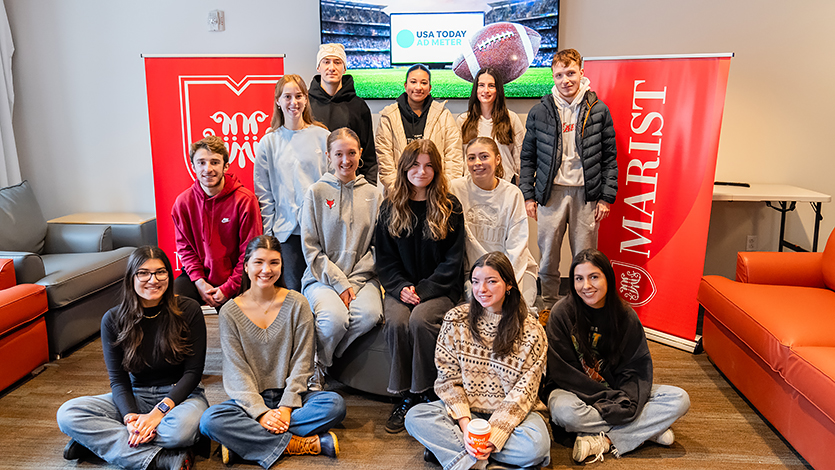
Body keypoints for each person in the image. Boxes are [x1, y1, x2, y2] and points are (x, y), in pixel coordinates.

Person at [199, 235, 346, 468]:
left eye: (274, 263)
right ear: (245, 266)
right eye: (258, 262)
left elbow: (303, 362)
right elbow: (236, 370)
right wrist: (260, 413)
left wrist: (286, 408)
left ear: (281, 266)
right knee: (209, 421)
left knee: (334, 405)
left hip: (292, 397)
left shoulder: (298, 303)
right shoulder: (229, 312)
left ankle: (245, 444)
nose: (266, 270)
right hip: (250, 400)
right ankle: (297, 444)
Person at [57, 246, 207, 470]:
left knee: (179, 431)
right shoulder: (113, 319)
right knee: (68, 414)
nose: (153, 280)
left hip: (182, 397)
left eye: (160, 272)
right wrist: (129, 419)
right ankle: (159, 459)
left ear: (169, 274)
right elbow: (118, 380)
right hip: (137, 396)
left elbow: (193, 373)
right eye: (143, 273)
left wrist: (158, 414)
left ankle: (96, 442)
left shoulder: (189, 309)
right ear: (131, 278)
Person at [405, 252, 550, 470]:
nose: (481, 290)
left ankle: (458, 456)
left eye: (491, 281)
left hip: (514, 417)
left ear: (509, 284)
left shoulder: (531, 331)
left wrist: (494, 436)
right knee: (415, 417)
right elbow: (447, 380)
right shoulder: (455, 320)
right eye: (475, 282)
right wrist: (466, 427)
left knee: (536, 445)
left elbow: (525, 392)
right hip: (467, 414)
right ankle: (482, 462)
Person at [544, 248, 690, 463]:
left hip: (617, 391)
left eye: (594, 277)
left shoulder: (625, 315)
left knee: (679, 399)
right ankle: (646, 431)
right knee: (564, 412)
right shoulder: (561, 313)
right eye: (579, 279)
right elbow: (562, 372)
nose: (586, 286)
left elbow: (636, 367)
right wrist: (607, 400)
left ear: (608, 278)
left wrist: (621, 399)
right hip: (575, 392)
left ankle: (606, 440)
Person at [375, 139, 465, 434]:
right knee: (399, 321)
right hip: (399, 288)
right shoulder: (390, 207)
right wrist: (400, 287)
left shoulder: (450, 207)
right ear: (404, 168)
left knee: (421, 320)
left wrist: (423, 291)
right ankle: (404, 395)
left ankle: (426, 390)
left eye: (428, 165)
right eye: (415, 164)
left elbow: (453, 261)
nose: (421, 171)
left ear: (437, 170)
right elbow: (385, 259)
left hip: (439, 289)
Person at [519, 48, 618, 308]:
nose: (566, 80)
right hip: (550, 195)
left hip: (586, 196)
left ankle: (582, 308)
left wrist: (606, 198)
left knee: (585, 258)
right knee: (548, 257)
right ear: (553, 76)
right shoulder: (539, 112)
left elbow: (609, 157)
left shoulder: (598, 110)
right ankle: (549, 306)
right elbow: (527, 157)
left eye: (571, 73)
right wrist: (528, 195)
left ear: (581, 73)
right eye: (559, 75)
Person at [300, 127, 384, 388]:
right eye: (339, 154)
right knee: (334, 319)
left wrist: (353, 283)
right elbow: (311, 249)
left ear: (360, 155)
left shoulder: (374, 194)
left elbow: (378, 249)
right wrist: (339, 283)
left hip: (361, 279)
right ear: (328, 156)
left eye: (351, 153)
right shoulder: (315, 192)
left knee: (369, 315)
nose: (345, 160)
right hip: (321, 278)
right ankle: (315, 367)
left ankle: (327, 360)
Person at [255, 74, 330, 292]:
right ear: (278, 101)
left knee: (321, 291)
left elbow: (333, 186)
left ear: (306, 99)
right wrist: (269, 237)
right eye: (287, 96)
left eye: (298, 96)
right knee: (292, 294)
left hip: (321, 232)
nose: (293, 102)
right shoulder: (269, 142)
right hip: (286, 234)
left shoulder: (323, 136)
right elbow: (264, 194)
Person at [172, 135, 263, 309]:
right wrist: (200, 283)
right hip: (199, 276)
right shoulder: (183, 203)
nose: (208, 169)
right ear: (193, 166)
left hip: (237, 276)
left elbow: (250, 252)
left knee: (236, 321)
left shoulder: (245, 200)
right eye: (201, 162)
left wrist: (228, 288)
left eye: (214, 162)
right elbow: (185, 249)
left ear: (225, 166)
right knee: (174, 305)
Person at [450, 136, 538, 312]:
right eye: (471, 157)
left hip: (514, 270)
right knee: (484, 312)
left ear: (497, 159)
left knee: (517, 311)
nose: (477, 163)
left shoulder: (512, 194)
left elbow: (517, 246)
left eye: (484, 156)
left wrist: (506, 283)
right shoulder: (455, 189)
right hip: (476, 274)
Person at [375, 64, 462, 193]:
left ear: (430, 88)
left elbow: (453, 157)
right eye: (413, 82)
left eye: (424, 83)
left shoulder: (443, 115)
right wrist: (399, 191)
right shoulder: (389, 116)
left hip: (436, 194)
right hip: (399, 195)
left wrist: (442, 190)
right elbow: (384, 160)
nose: (418, 87)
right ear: (405, 85)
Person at [308, 43, 378, 185]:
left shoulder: (359, 106)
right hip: (314, 187)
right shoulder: (305, 105)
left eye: (337, 62)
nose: (331, 67)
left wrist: (368, 190)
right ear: (318, 67)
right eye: (326, 62)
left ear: (344, 68)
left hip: (350, 187)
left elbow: (369, 156)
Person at [456, 68, 526, 183]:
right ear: (476, 89)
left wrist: (523, 188)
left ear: (498, 90)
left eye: (491, 86)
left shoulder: (511, 119)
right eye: (481, 85)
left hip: (505, 186)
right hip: (472, 187)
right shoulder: (463, 120)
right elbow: (457, 159)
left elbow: (520, 158)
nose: (486, 90)